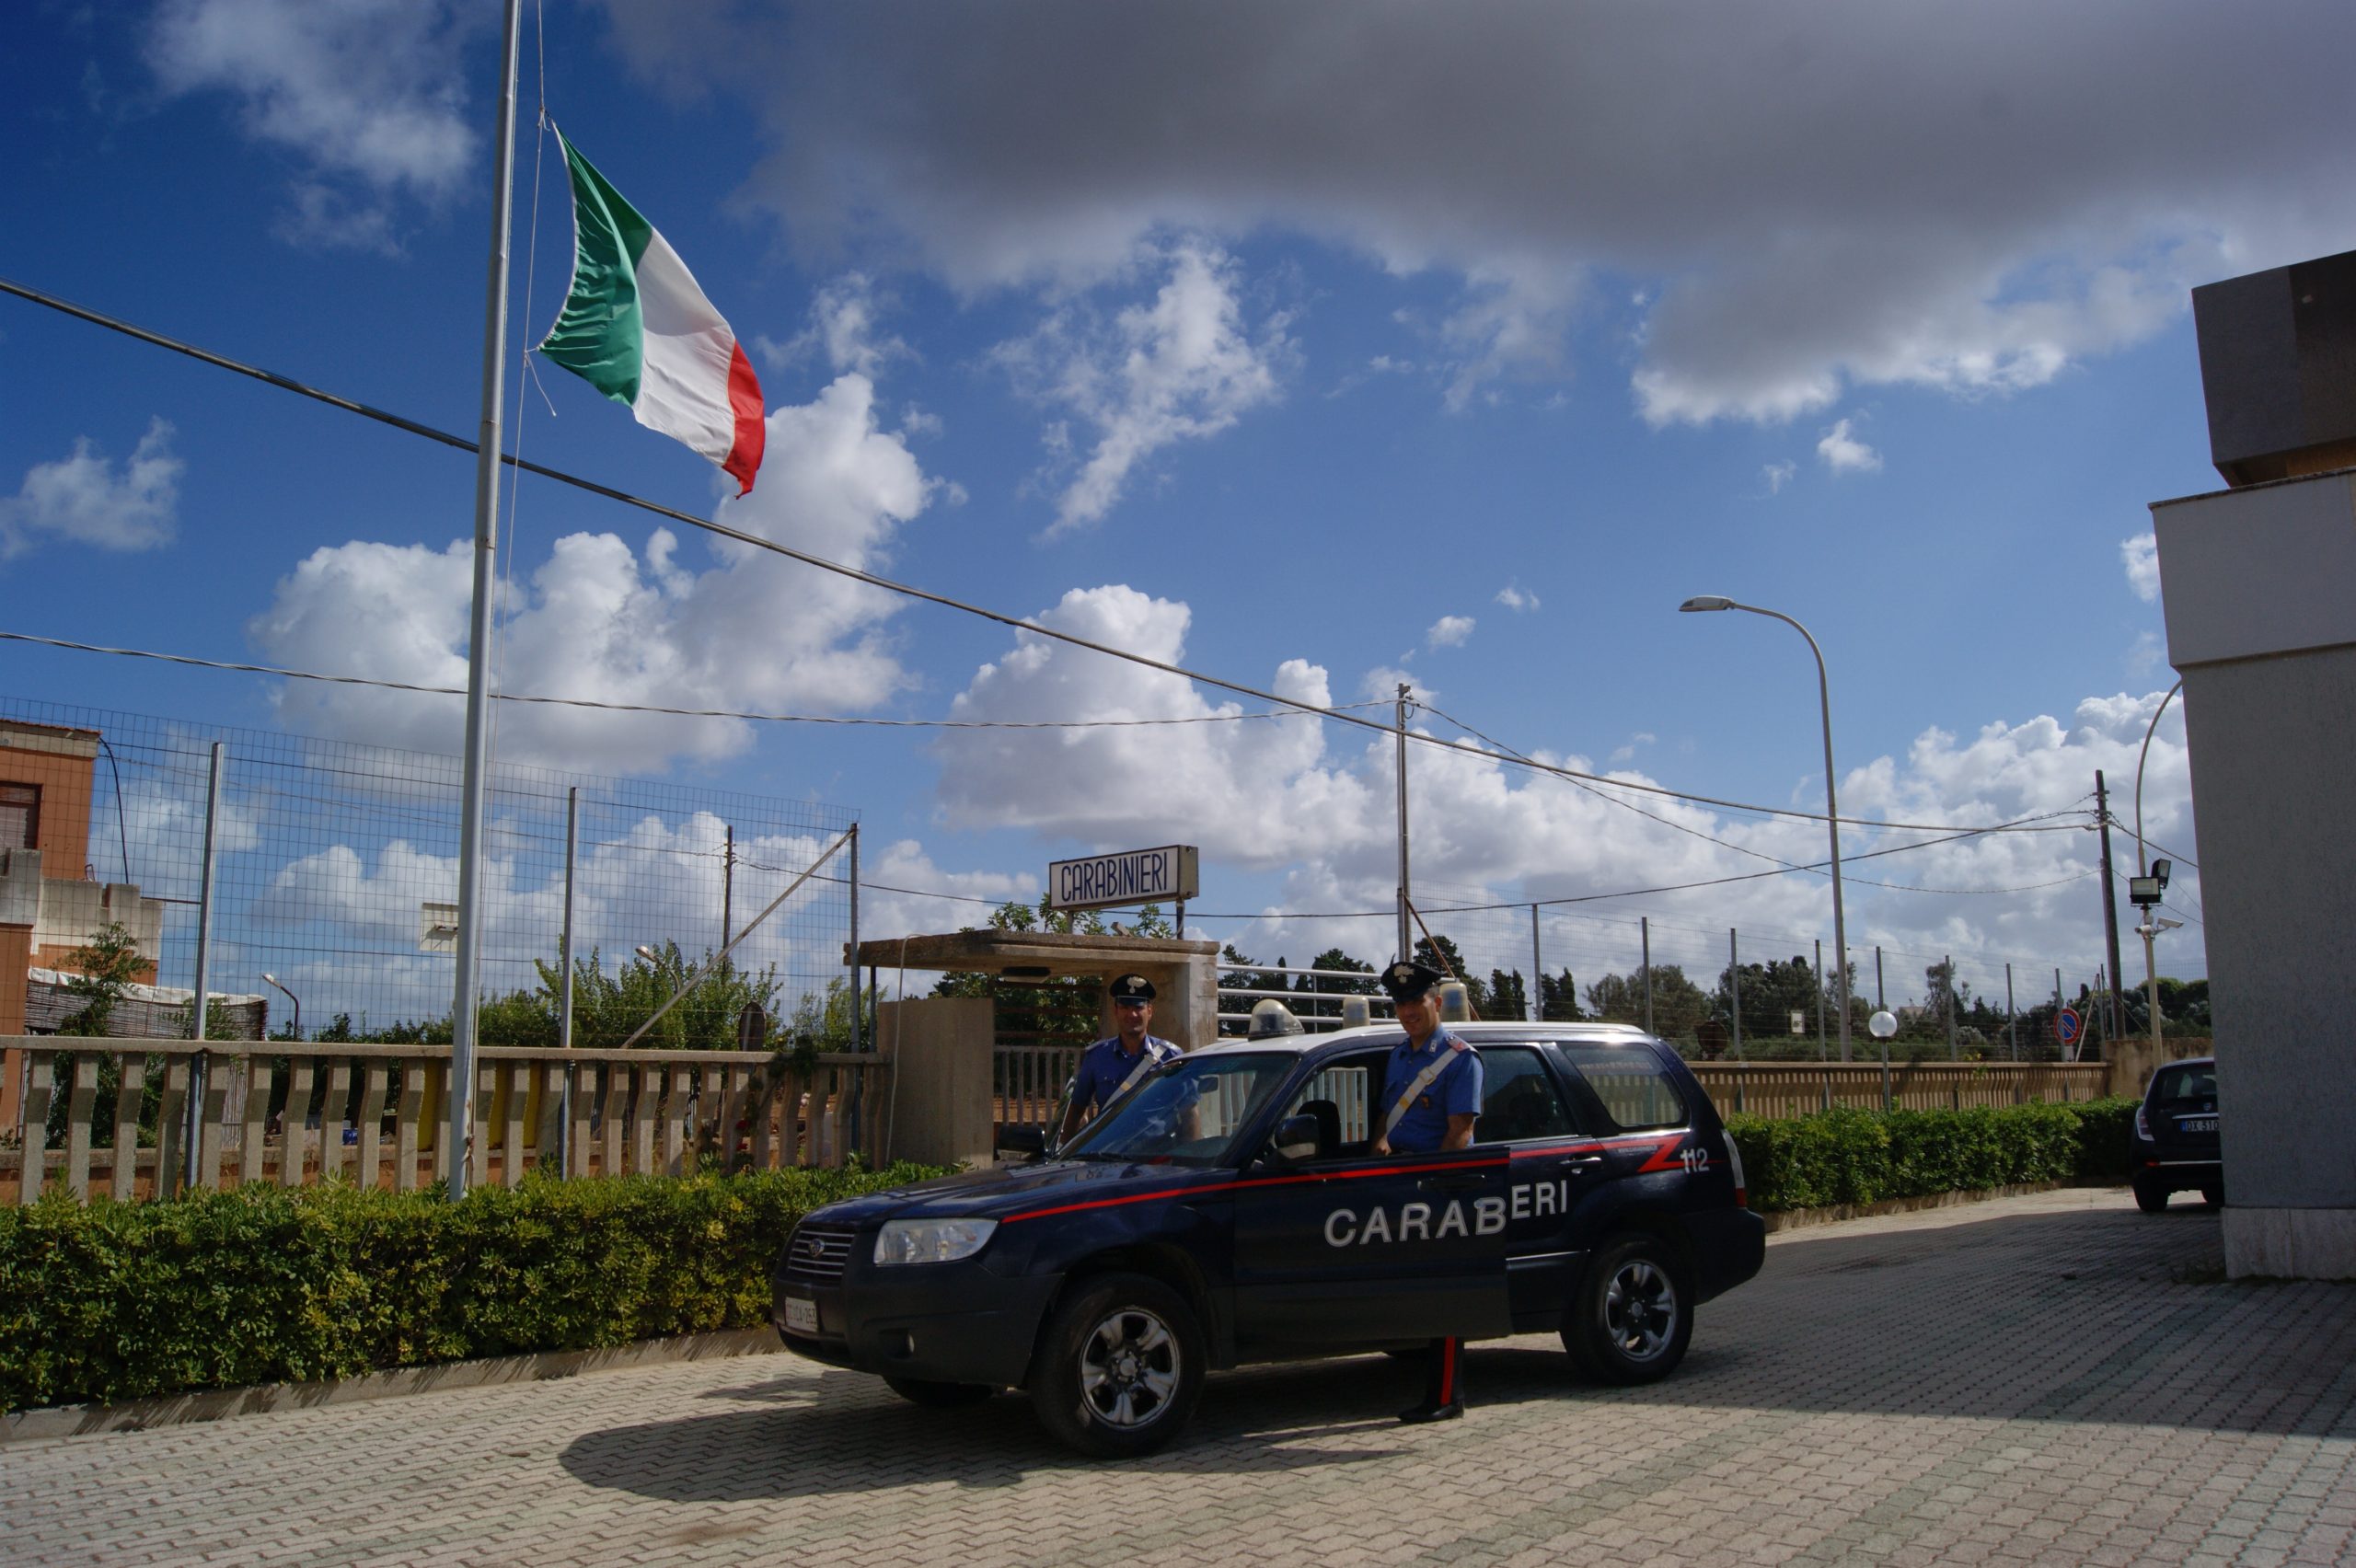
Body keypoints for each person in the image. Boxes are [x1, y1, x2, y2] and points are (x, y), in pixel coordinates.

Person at [1369, 959, 1484, 1423]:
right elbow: (1385, 1115)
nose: (1408, 1011)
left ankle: (1446, 1396)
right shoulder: (1399, 1055)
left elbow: (1458, 1131)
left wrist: (1432, 1188)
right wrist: (1380, 1142)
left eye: (1416, 1001)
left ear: (1436, 1002)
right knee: (1420, 1292)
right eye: (1400, 1003)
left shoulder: (1460, 1059)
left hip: (1441, 1186)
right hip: (1401, 1182)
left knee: (1445, 1293)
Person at [1058, 974, 1181, 1143]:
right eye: (1125, 1007)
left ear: (1150, 1011)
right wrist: (1064, 1155)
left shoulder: (1170, 1057)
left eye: (1138, 1008)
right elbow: (1076, 1109)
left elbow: (1188, 1111)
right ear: (1116, 1011)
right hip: (1108, 1156)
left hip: (1158, 1159)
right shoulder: (1097, 1057)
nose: (1132, 1014)